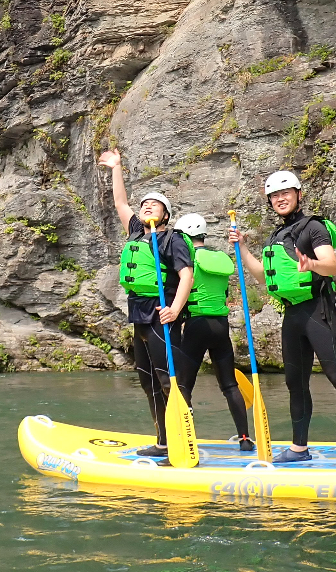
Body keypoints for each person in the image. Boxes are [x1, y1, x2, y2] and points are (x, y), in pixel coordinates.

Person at [230, 170, 336, 469]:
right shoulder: (277, 235)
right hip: (292, 316)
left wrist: (310, 263)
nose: (280, 198)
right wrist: (243, 249)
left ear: (299, 194)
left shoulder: (312, 228)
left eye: (286, 193)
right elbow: (262, 277)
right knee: (295, 384)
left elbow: (331, 266)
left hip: (318, 311)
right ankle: (299, 447)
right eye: (275, 195)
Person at [97, 149, 194, 459]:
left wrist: (175, 309)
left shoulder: (171, 240)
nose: (146, 206)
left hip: (160, 313)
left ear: (165, 215)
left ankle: (183, 440)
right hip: (138, 314)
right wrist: (116, 167)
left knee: (168, 379)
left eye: (154, 204)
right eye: (145, 204)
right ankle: (163, 442)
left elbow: (186, 275)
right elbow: (120, 203)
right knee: (147, 379)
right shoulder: (137, 232)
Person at [173, 213, 254, 452]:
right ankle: (244, 438)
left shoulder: (187, 261)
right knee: (229, 385)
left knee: (184, 386)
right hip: (221, 326)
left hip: (197, 325)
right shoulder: (219, 258)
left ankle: (185, 439)